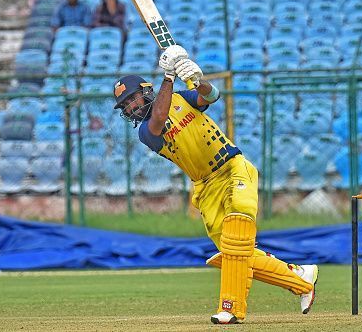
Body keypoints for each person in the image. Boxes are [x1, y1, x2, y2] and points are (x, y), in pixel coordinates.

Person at [112, 45, 319, 324]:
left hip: (233, 168)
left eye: (132, 100)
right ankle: (300, 278)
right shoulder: (146, 133)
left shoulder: (180, 98)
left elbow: (212, 95)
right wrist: (170, 76)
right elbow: (159, 118)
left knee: (237, 234)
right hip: (206, 187)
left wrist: (198, 79)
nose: (131, 108)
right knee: (236, 252)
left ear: (146, 91)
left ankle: (230, 308)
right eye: (126, 106)